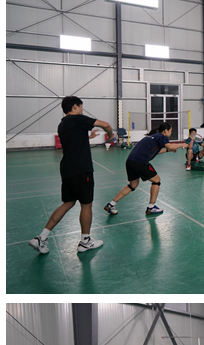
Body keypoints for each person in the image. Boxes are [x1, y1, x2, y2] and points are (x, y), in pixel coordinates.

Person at [29, 96, 114, 256]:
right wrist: (111, 136)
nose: (82, 110)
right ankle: (85, 241)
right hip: (81, 169)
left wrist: (89, 137)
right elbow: (106, 125)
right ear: (75, 107)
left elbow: (74, 139)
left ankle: (41, 237)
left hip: (67, 169)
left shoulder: (62, 124)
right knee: (86, 205)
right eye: (81, 107)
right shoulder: (77, 119)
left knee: (67, 203)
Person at [104, 121, 187, 218]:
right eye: (170, 130)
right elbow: (170, 145)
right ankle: (151, 207)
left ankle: (111, 204)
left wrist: (168, 150)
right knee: (156, 181)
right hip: (141, 162)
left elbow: (157, 151)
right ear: (165, 131)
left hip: (130, 161)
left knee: (133, 185)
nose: (171, 133)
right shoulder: (161, 136)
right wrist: (183, 144)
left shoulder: (153, 137)